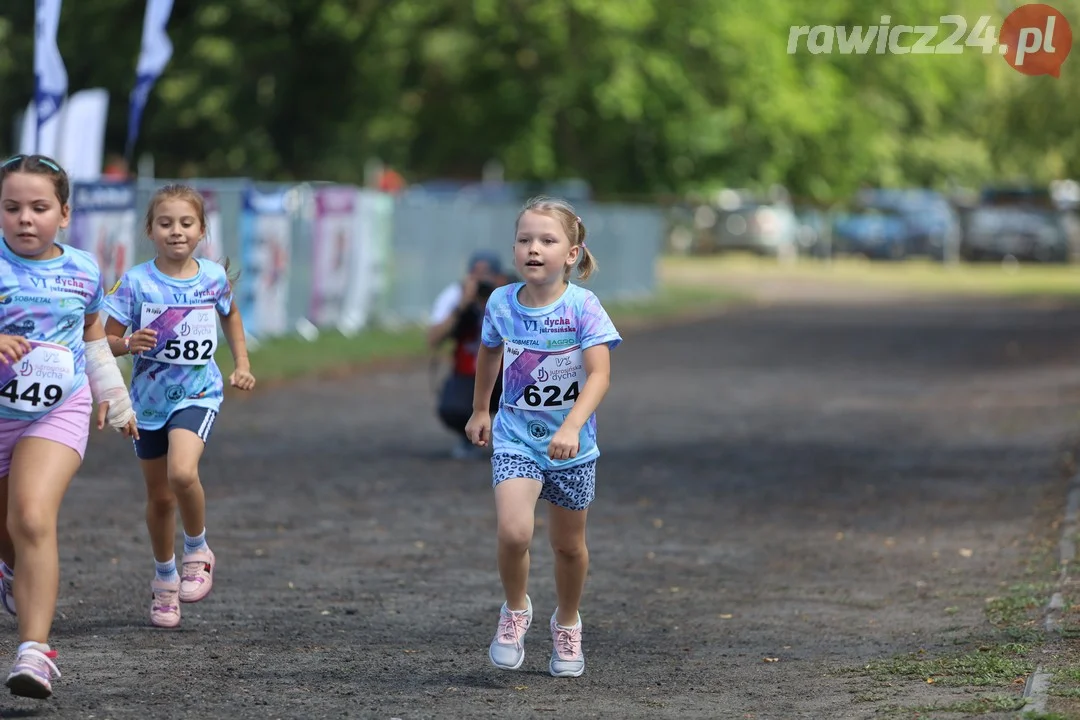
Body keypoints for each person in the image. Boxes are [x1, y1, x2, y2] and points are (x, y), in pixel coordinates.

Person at [0, 154, 138, 699]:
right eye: (11, 208)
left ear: (64, 213)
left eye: (38, 207)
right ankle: (11, 571)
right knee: (9, 533)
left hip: (57, 410)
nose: (24, 218)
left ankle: (34, 651)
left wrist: (117, 399)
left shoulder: (82, 269)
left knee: (32, 516)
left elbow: (92, 338)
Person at [465, 196, 621, 678]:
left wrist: (572, 426)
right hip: (517, 437)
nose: (534, 249)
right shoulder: (500, 302)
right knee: (514, 532)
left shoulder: (583, 307)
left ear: (572, 254)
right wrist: (480, 409)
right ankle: (515, 610)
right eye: (525, 239)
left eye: (547, 241)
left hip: (573, 446)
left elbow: (599, 375)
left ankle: (568, 622)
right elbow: (489, 353)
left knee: (567, 546)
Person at [102, 184, 256, 629]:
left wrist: (242, 362)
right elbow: (105, 340)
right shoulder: (135, 282)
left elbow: (229, 313)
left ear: (202, 230)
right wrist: (128, 343)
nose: (176, 231)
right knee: (160, 497)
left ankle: (198, 549)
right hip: (147, 401)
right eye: (165, 223)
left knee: (182, 473)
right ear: (150, 230)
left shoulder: (211, 277)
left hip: (198, 392)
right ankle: (164, 581)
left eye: (186, 223)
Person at [428, 251, 506, 459]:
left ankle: (519, 441)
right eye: (476, 274)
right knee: (452, 407)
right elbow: (433, 339)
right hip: (469, 374)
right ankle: (469, 436)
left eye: (487, 274)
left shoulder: (511, 295)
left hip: (508, 375)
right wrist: (462, 306)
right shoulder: (456, 295)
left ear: (500, 277)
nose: (482, 280)